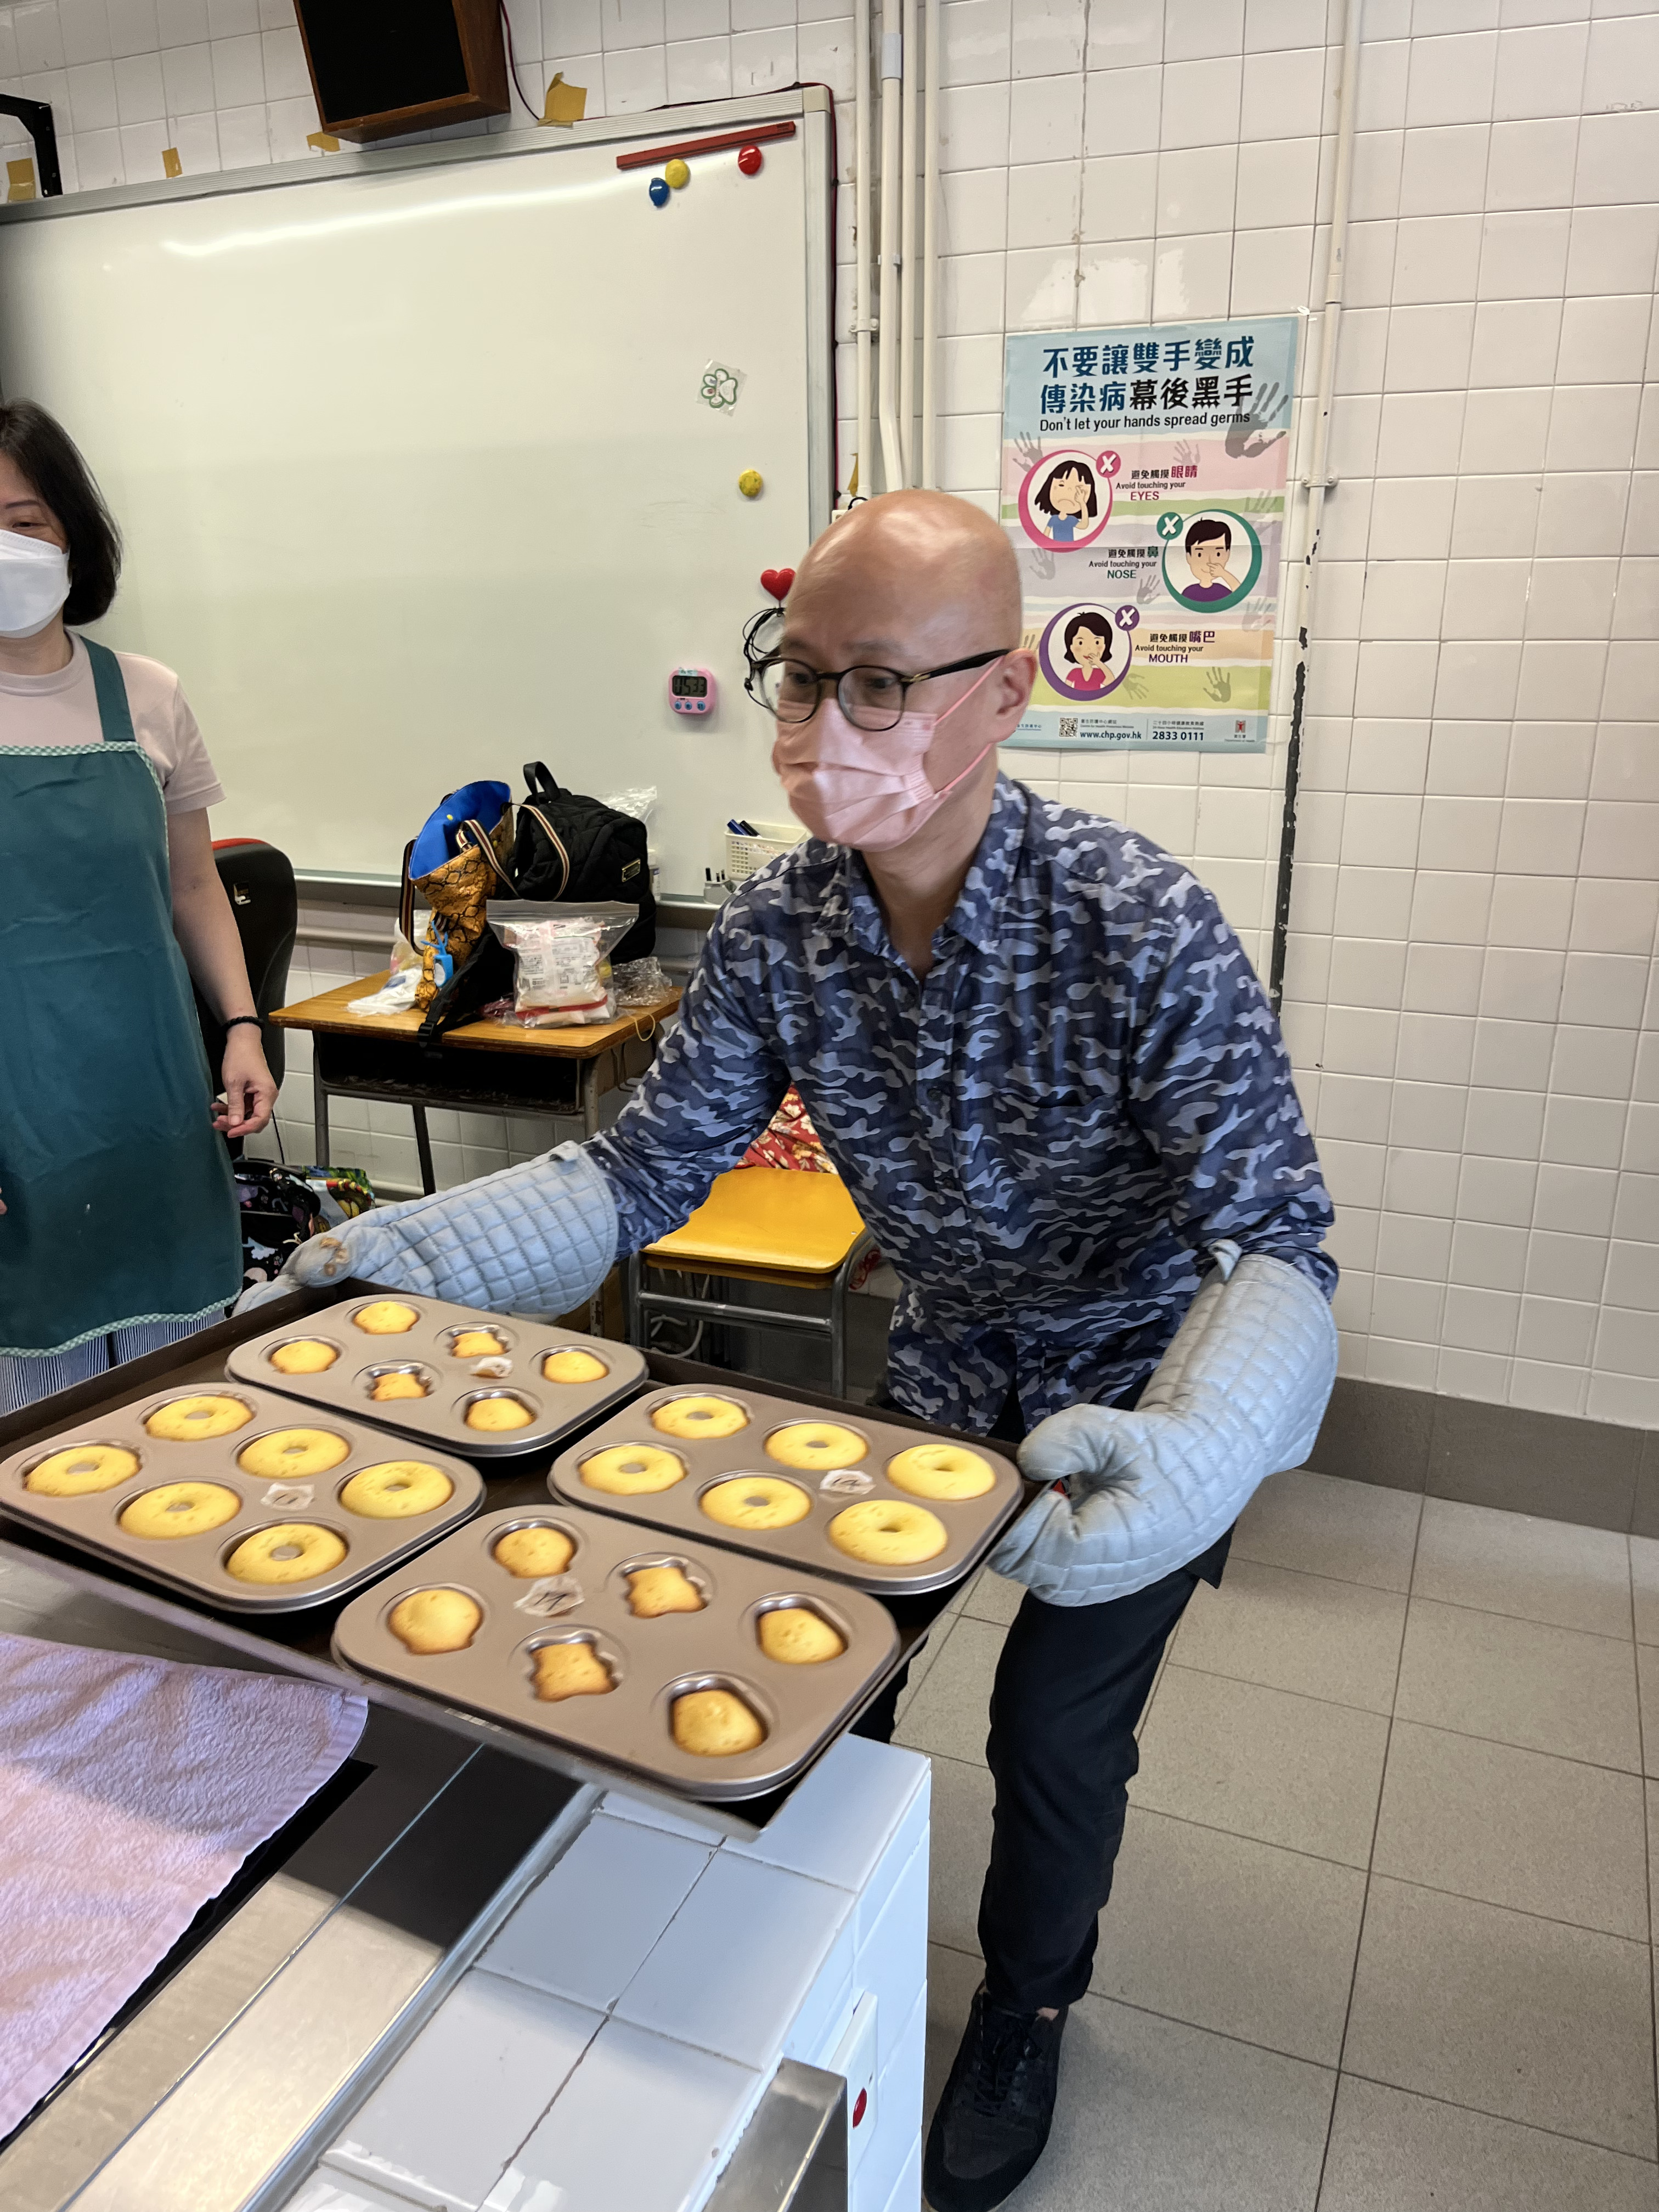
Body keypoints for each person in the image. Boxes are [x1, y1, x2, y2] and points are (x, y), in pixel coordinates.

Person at [245, 490, 1336, 2211]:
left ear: (1007, 691)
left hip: (1141, 1399)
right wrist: (426, 1255)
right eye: (804, 675)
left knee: (1056, 1729)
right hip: (941, 1368)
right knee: (829, 1670)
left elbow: (1275, 1241)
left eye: (881, 683)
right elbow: (639, 1173)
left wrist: (1200, 1451)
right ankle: (808, 1942)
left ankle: (1030, 2005)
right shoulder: (782, 929)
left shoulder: (1138, 924)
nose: (829, 727)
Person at [0, 401, 276, 1413]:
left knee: (180, 1406)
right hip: (13, 1102)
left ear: (72, 532)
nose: (4, 547)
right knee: (36, 1430)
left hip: (149, 1091)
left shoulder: (148, 696)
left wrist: (242, 1026)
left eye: (24, 520)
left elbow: (194, 884)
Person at [1032, 458, 1097, 544]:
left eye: (1079, 489)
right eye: (1061, 485)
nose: (1069, 491)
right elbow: (1046, 535)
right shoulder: (1053, 519)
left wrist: (1082, 503)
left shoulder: (1071, 520)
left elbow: (1084, 525)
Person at [1180, 514, 1240, 602]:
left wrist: (1224, 574)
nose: (1209, 562)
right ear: (1189, 557)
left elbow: (1240, 595)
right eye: (1200, 554)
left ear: (1227, 555)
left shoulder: (1222, 592)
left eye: (1218, 554)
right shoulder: (1188, 593)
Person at [1059, 609, 1111, 692]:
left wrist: (1099, 663)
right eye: (1080, 643)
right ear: (1071, 647)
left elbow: (1111, 682)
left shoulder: (1099, 673)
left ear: (1105, 647)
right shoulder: (1074, 673)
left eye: (1097, 642)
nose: (1089, 649)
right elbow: (1066, 690)